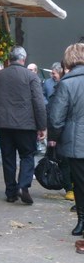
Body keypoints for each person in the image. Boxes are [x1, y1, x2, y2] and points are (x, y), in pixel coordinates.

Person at [0, 46, 47, 205]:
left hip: (3, 124)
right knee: (27, 155)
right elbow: (39, 103)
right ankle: (23, 186)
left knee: (8, 158)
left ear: (10, 58)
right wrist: (42, 126)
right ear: (23, 59)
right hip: (25, 124)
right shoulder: (30, 76)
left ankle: (11, 192)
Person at [48, 44, 84, 244]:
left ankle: (81, 221)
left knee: (79, 184)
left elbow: (56, 118)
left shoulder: (66, 84)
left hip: (76, 143)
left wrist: (53, 137)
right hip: (77, 140)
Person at [44, 61, 74, 201]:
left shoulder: (62, 88)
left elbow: (55, 114)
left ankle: (69, 188)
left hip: (63, 130)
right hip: (70, 130)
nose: (52, 75)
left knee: (63, 160)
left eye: (54, 73)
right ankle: (72, 187)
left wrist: (52, 137)